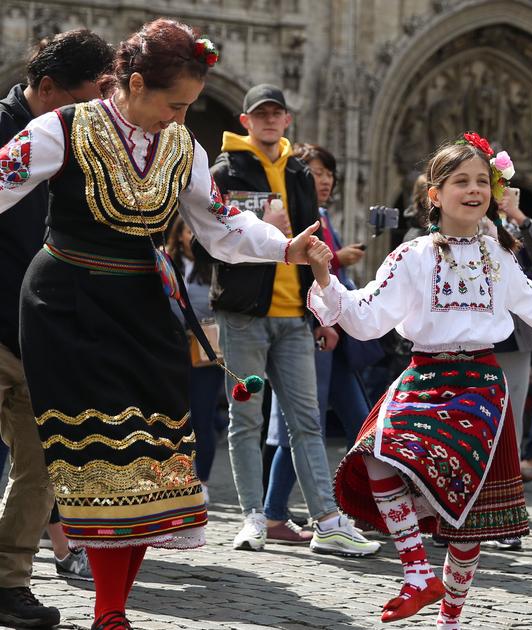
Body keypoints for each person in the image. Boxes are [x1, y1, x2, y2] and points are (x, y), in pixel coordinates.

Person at [0, 19, 325, 630]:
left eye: (189, 108)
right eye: (173, 104)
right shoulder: (63, 128)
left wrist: (287, 248)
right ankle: (107, 607)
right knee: (95, 456)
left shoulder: (185, 149)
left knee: (153, 461)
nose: (179, 118)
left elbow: (222, 225)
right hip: (67, 304)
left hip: (143, 306)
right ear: (135, 83)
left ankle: (111, 610)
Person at [307, 133, 532, 629]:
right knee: (376, 456)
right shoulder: (412, 257)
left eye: (482, 182)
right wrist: (323, 278)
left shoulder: (498, 255)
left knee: (469, 519)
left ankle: (450, 619)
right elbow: (366, 317)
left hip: (480, 383)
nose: (474, 190)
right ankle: (418, 573)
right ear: (435, 195)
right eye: (461, 181)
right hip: (423, 376)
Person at [207, 86, 379, 557]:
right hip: (244, 314)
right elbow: (214, 240)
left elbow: (315, 244)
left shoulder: (300, 172)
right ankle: (252, 518)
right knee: (244, 418)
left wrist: (322, 311)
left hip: (293, 316)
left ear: (287, 121)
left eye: (276, 113)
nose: (268, 121)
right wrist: (263, 227)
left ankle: (327, 521)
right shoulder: (224, 171)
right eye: (260, 114)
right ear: (245, 121)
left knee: (307, 422)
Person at [0, 29, 113, 628]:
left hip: (37, 330)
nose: (99, 111)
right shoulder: (5, 131)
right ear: (47, 90)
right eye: (90, 97)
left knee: (42, 467)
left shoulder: (83, 145)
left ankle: (9, 582)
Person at [262, 143, 374, 544]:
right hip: (314, 333)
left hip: (336, 337)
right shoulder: (296, 220)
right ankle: (274, 513)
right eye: (315, 172)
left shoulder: (323, 216)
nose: (324, 180)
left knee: (363, 423)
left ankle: (367, 507)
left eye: (328, 173)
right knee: (304, 425)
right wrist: (339, 259)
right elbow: (303, 273)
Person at [166, 216, 223, 504]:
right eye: (190, 231)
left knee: (202, 417)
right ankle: (172, 476)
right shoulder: (165, 264)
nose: (194, 237)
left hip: (203, 351)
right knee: (172, 417)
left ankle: (201, 479)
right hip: (170, 350)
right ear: (178, 235)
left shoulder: (213, 268)